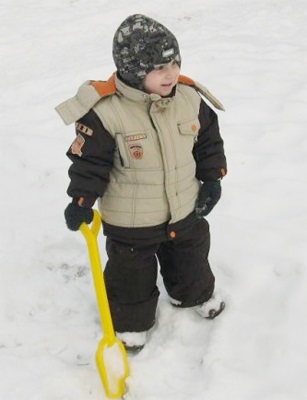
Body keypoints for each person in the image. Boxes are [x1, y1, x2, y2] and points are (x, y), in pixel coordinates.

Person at [56, 14, 227, 352]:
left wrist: (212, 179)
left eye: (175, 62)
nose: (172, 73)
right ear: (135, 71)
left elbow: (209, 142)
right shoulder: (106, 112)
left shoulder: (189, 99)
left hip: (184, 206)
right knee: (129, 275)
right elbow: (90, 164)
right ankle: (131, 326)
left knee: (191, 256)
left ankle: (195, 295)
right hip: (131, 220)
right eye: (160, 68)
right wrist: (80, 201)